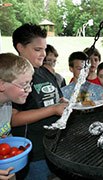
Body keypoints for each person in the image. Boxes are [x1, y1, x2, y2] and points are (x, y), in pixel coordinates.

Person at [11, 23, 68, 180]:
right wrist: (53, 109)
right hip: (33, 154)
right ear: (20, 47)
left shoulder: (45, 71)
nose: (43, 54)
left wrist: (65, 102)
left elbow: (57, 98)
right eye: (37, 49)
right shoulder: (13, 77)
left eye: (44, 48)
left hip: (55, 148)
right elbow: (12, 118)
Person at [0, 53, 34, 180]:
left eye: (30, 83)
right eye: (24, 84)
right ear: (2, 84)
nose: (29, 89)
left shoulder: (7, 103)